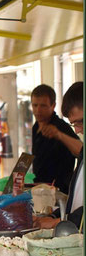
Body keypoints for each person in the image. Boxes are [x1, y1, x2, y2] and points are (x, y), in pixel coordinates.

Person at [34, 82, 84, 230]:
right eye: (74, 124)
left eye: (80, 121)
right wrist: (55, 216)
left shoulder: (60, 128)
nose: (77, 130)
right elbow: (75, 202)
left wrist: (58, 222)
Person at [31, 84, 82, 194]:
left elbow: (81, 150)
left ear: (53, 105)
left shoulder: (61, 127)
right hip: (39, 188)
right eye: (35, 105)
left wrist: (59, 134)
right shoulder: (35, 127)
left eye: (43, 106)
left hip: (59, 191)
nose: (38, 110)